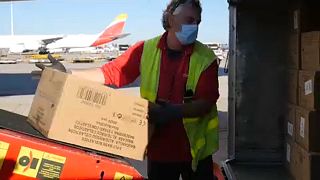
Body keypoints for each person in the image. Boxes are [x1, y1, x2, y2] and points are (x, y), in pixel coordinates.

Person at [36, 0, 220, 179]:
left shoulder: (205, 57)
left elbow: (206, 103)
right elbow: (111, 73)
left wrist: (172, 112)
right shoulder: (145, 49)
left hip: (195, 152)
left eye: (198, 22)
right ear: (171, 20)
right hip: (159, 148)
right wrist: (67, 73)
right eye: (189, 20)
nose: (195, 26)